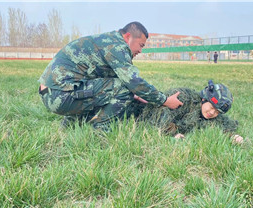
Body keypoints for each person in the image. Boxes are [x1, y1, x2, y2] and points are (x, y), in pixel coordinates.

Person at [38, 21, 183, 130]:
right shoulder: (117, 46)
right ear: (128, 37)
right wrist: (164, 100)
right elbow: (133, 82)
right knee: (123, 90)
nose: (140, 50)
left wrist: (138, 95)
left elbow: (111, 79)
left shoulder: (108, 41)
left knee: (112, 89)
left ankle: (72, 123)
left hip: (51, 93)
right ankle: (100, 128)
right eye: (141, 45)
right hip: (59, 95)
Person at [132, 80, 244, 143]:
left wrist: (233, 136)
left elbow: (223, 123)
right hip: (137, 111)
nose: (212, 112)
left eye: (217, 111)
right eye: (211, 107)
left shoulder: (211, 115)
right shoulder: (184, 98)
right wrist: (173, 133)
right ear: (204, 99)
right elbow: (158, 115)